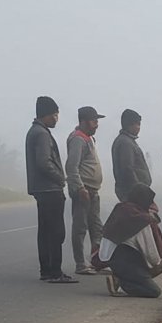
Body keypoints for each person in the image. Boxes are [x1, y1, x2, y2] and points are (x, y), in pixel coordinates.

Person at [25, 96, 76, 283]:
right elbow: (44, 162)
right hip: (49, 189)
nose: (57, 119)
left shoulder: (35, 131)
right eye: (55, 115)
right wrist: (60, 178)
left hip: (41, 189)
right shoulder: (42, 134)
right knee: (56, 231)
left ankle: (46, 270)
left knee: (45, 231)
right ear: (47, 115)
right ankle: (55, 271)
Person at [95, 183, 162, 298]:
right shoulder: (142, 220)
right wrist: (158, 263)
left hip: (109, 258)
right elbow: (152, 255)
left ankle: (125, 277)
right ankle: (122, 282)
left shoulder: (121, 208)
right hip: (124, 261)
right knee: (154, 291)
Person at [65, 106, 105, 275]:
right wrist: (80, 187)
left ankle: (97, 261)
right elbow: (71, 167)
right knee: (81, 227)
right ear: (84, 121)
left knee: (96, 226)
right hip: (84, 190)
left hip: (93, 190)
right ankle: (80, 263)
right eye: (94, 121)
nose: (97, 125)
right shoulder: (78, 139)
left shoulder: (89, 139)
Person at [111, 109, 152, 202]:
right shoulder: (125, 143)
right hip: (133, 194)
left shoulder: (128, 141)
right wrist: (139, 192)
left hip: (134, 192)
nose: (139, 128)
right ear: (129, 125)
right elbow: (127, 169)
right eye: (137, 124)